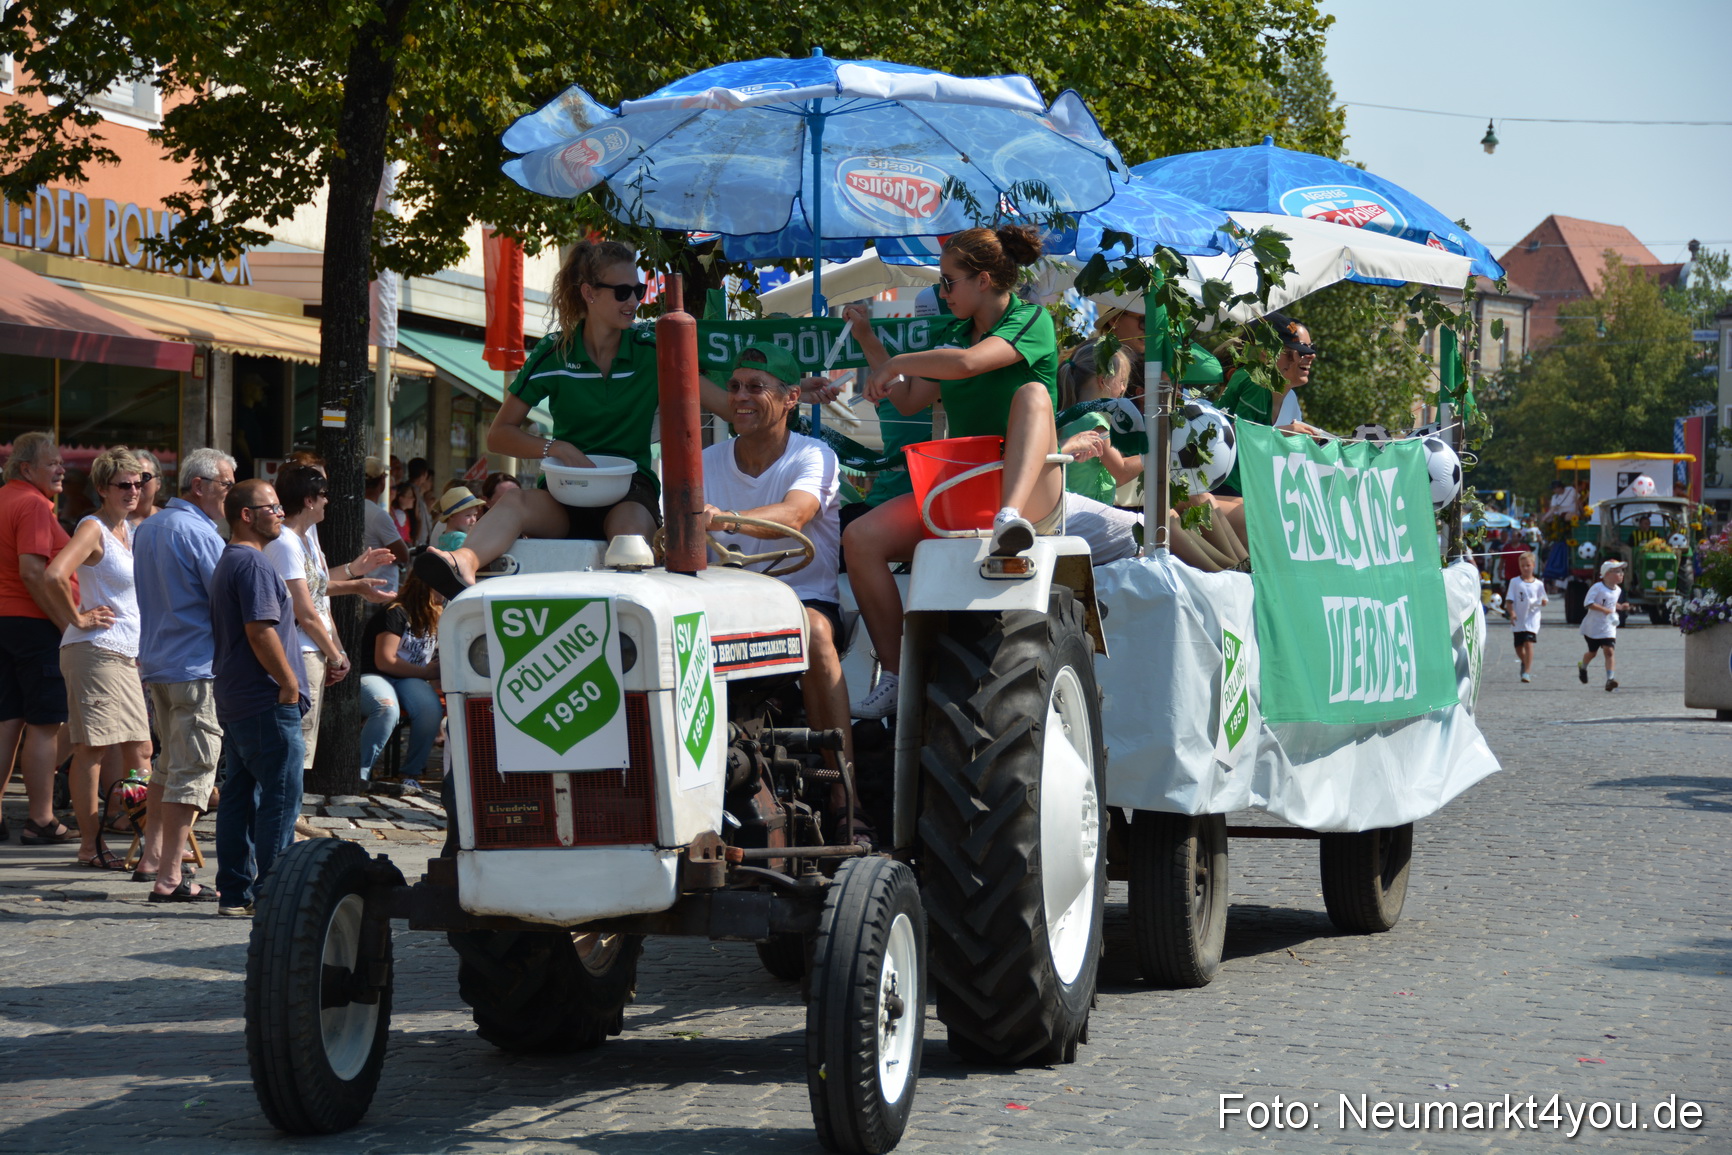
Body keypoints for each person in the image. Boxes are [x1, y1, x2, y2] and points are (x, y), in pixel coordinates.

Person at [412, 238, 837, 599]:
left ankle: (624, 621)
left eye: (638, 290)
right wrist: (555, 447)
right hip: (565, 487)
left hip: (630, 489)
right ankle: (460, 562)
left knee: (632, 535)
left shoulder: (654, 349)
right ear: (589, 293)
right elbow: (499, 435)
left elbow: (730, 407)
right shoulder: (553, 352)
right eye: (622, 292)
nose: (633, 301)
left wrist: (793, 394)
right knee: (515, 501)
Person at [841, 225, 1063, 719]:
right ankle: (899, 674)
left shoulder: (1033, 321)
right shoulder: (952, 333)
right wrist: (870, 344)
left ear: (983, 280)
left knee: (1032, 394)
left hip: (1032, 492)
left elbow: (965, 366)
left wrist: (897, 357)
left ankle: (1009, 516)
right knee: (860, 538)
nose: (943, 292)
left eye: (949, 282)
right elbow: (910, 397)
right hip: (967, 487)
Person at [700, 343, 858, 828]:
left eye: (755, 387)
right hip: (724, 604)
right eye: (734, 387)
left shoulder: (815, 455)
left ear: (791, 398)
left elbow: (795, 514)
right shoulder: (703, 462)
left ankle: (841, 795)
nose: (740, 398)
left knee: (812, 630)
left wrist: (723, 521)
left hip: (800, 599)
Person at [38, 447, 152, 871]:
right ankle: (90, 846)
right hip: (95, 650)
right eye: (124, 484)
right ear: (103, 488)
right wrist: (77, 617)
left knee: (140, 747)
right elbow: (53, 573)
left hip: (123, 653)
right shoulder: (94, 526)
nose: (133, 491)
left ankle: (145, 840)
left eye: (138, 483)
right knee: (93, 749)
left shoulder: (131, 531)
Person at [133, 447, 235, 900]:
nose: (229, 495)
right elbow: (226, 600)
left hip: (160, 664)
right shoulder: (199, 533)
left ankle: (152, 858)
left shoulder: (150, 526)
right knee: (192, 772)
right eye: (226, 486)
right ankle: (170, 877)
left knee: (166, 768)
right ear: (200, 486)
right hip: (196, 667)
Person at [212, 479, 311, 917]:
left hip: (238, 698)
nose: (280, 513)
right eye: (270, 507)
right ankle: (273, 896)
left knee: (239, 797)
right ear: (245, 515)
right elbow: (260, 630)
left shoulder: (233, 560)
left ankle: (235, 894)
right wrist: (289, 684)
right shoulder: (251, 564)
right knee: (280, 798)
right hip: (263, 699)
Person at [265, 463, 394, 773]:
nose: (327, 501)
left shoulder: (305, 536)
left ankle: (290, 815)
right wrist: (336, 655)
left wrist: (354, 575)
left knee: (302, 744)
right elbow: (305, 610)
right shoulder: (284, 542)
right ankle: (284, 818)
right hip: (301, 651)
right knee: (294, 745)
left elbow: (318, 590)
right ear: (309, 499)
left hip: (314, 650)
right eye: (324, 494)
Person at [0, 431, 74, 847]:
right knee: (45, 723)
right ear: (27, 468)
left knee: (8, 720)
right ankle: (41, 818)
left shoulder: (6, 497)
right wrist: (67, 622)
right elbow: (34, 571)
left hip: (7, 621)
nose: (62, 468)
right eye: (53, 463)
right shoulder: (30, 504)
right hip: (31, 622)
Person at [358, 574, 444, 794]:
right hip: (374, 674)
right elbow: (385, 660)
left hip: (409, 678)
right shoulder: (396, 612)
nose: (443, 596)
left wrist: (432, 681)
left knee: (430, 710)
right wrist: (425, 672)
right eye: (439, 590)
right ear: (425, 589)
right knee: (386, 707)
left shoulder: (437, 617)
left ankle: (411, 774)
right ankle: (360, 774)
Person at [1055, 340, 1141, 504]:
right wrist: (1156, 452)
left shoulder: (1068, 414)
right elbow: (1121, 472)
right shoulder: (1093, 420)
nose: (1123, 389)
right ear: (1103, 381)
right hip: (1080, 513)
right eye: (1122, 381)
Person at [1578, 559, 1631, 692]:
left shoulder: (1618, 590)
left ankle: (1610, 679)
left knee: (1609, 651)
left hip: (1608, 626)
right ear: (1607, 574)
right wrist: (1605, 610)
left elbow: (1612, 604)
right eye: (1617, 571)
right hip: (1593, 626)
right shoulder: (1597, 587)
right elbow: (1588, 603)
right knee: (1592, 653)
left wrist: (1620, 607)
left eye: (1622, 571)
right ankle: (1583, 667)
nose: (1621, 574)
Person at [1505, 549, 1548, 684]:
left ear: (1533, 566)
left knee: (1529, 643)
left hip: (1532, 618)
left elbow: (1544, 599)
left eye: (1528, 565)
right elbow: (1509, 600)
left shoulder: (1538, 584)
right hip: (1519, 618)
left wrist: (1543, 602)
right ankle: (1524, 661)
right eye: (1523, 566)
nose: (1525, 568)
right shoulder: (1515, 582)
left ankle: (1527, 672)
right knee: (1518, 647)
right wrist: (1512, 613)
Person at [362, 456, 411, 574]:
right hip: (380, 586)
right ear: (382, 481)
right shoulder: (378, 515)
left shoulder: (357, 508)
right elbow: (403, 556)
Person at [432, 486, 486, 551]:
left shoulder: (444, 537)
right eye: (468, 515)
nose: (473, 520)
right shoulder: (460, 539)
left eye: (475, 515)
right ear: (451, 516)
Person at [127, 450, 163, 534]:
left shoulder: (167, 520)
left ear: (158, 483)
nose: (137, 482)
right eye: (131, 477)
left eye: (144, 476)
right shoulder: (116, 521)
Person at [405, 457, 435, 549]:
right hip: (415, 542)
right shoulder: (411, 492)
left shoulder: (418, 493)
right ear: (424, 474)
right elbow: (416, 518)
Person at [391, 481, 420, 545]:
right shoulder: (400, 514)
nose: (413, 499)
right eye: (410, 496)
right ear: (400, 498)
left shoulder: (404, 514)